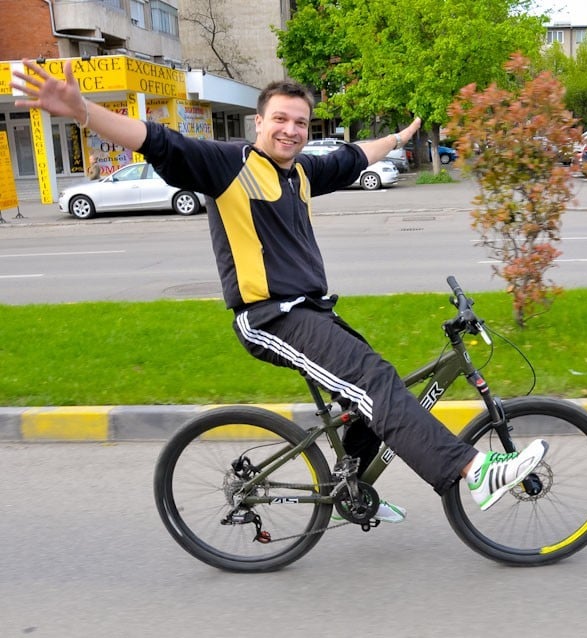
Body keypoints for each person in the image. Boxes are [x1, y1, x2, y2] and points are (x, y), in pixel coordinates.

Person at [12, 59, 548, 521]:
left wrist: (402, 139)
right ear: (259, 122)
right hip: (268, 316)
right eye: (280, 120)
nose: (290, 130)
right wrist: (83, 111)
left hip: (313, 313)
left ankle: (353, 489)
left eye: (300, 122)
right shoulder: (229, 166)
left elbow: (357, 154)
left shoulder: (303, 172)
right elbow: (157, 140)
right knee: (373, 381)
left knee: (375, 397)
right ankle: (473, 471)